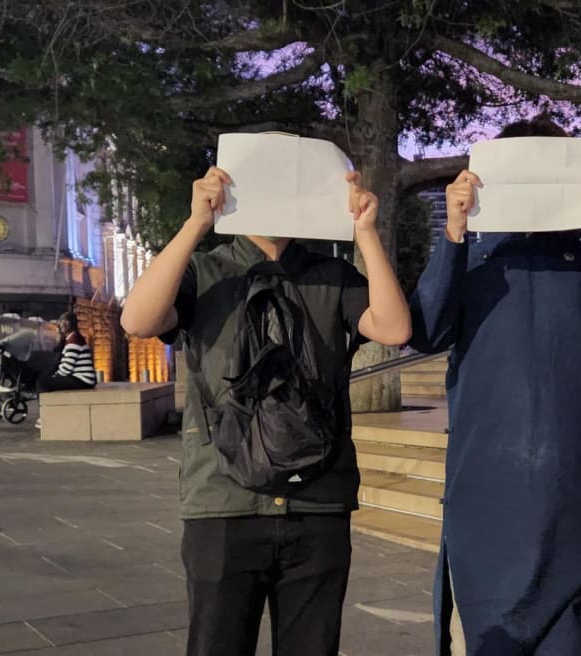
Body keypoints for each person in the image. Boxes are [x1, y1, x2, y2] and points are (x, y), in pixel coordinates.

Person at [120, 165, 410, 656]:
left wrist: (366, 232)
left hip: (317, 505)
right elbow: (138, 319)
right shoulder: (206, 271)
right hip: (222, 503)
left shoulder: (332, 277)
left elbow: (394, 328)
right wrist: (195, 225)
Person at [408, 116, 581, 655]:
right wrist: (453, 232)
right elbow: (427, 332)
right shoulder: (474, 256)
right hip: (483, 489)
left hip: (570, 491)